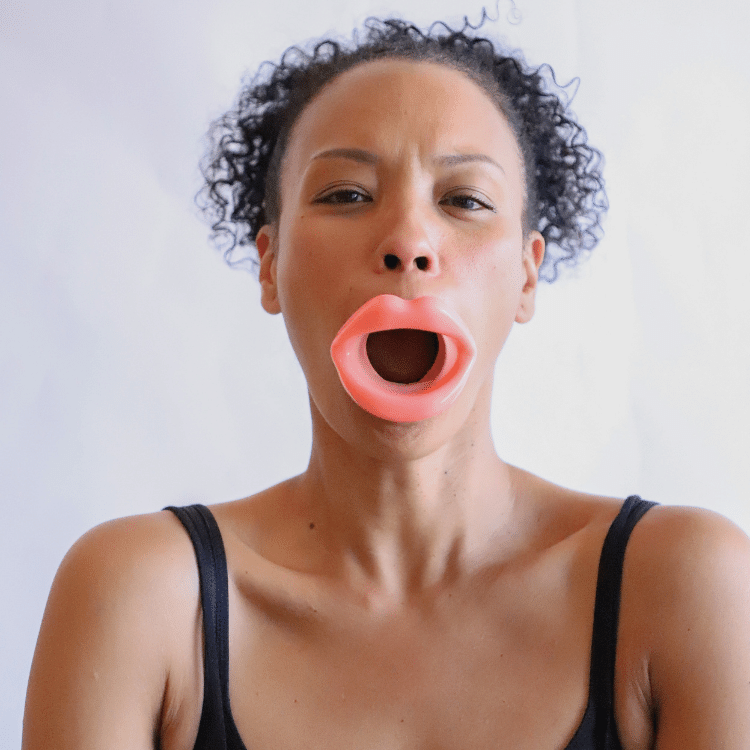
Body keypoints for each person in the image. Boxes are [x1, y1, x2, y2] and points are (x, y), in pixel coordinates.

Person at [23, 14, 750, 750]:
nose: (408, 241)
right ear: (271, 265)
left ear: (526, 275)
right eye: (345, 194)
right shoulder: (138, 596)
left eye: (464, 199)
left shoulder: (685, 586)